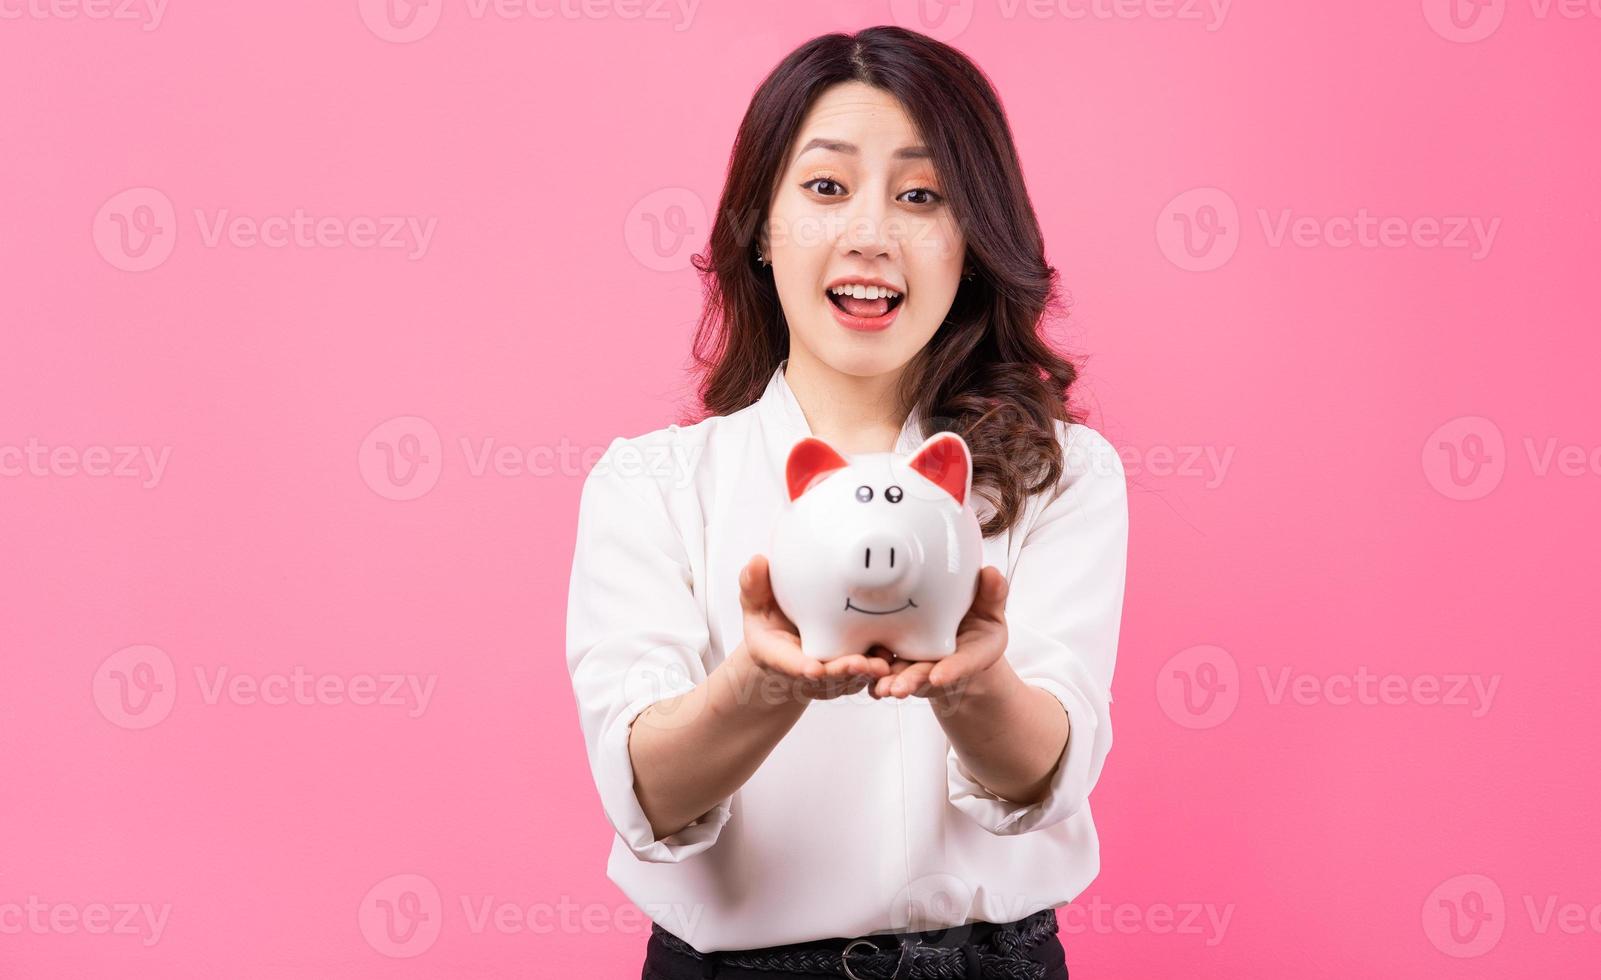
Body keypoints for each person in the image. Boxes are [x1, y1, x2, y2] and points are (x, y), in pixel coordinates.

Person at [565, 26, 1128, 980]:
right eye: (826, 187)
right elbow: (647, 795)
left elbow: (1043, 779)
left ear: (974, 241)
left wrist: (975, 680)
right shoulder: (651, 484)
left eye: (921, 195)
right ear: (759, 228)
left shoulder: (1057, 471)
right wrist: (768, 677)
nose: (871, 233)